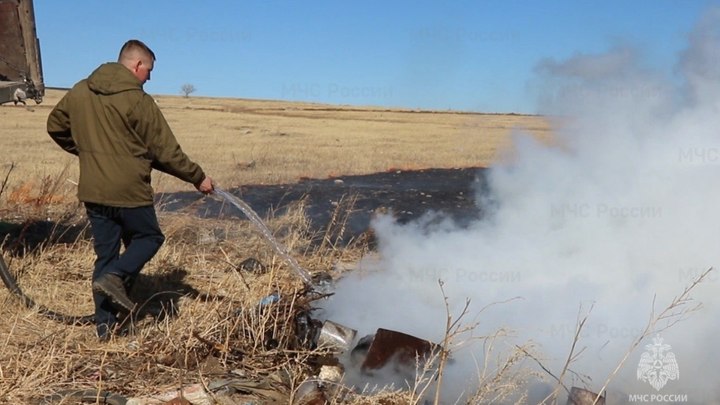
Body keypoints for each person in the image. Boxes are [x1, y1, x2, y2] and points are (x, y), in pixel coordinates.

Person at [46, 39, 214, 341]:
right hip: (129, 191)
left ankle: (105, 328)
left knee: (105, 255)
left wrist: (88, 152)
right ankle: (116, 278)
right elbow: (166, 150)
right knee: (149, 237)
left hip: (93, 190)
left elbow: (55, 126)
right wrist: (197, 177)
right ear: (137, 65)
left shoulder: (81, 90)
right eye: (148, 70)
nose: (149, 77)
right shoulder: (138, 100)